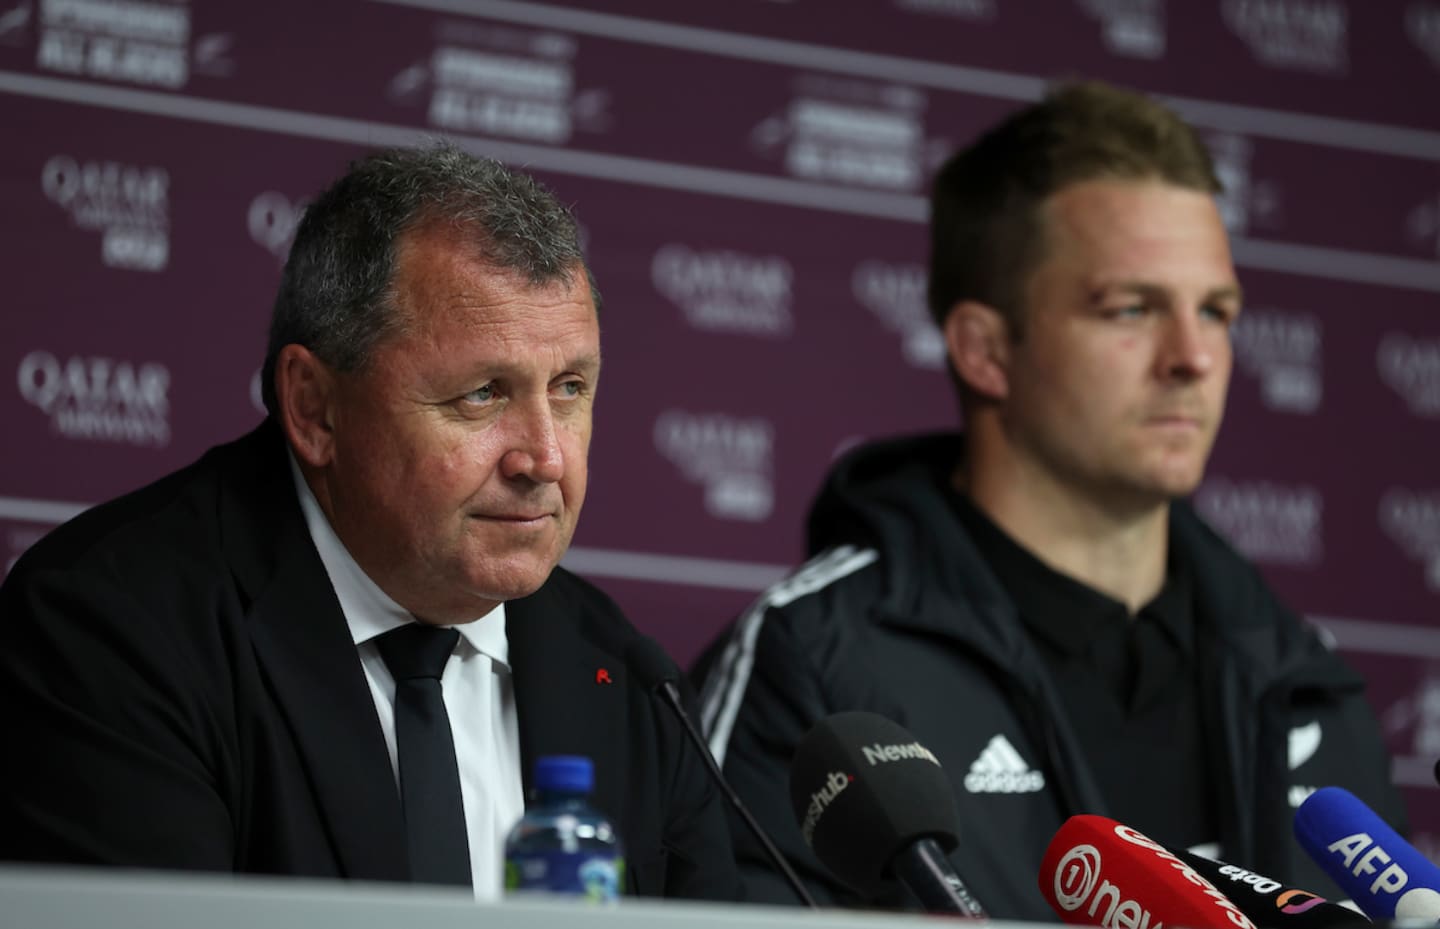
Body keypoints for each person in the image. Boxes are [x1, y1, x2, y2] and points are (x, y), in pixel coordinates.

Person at [694, 81, 1404, 918]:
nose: (1194, 357)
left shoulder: (1304, 677)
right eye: (1131, 308)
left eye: (1215, 311)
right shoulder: (814, 661)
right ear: (986, 350)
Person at [0, 144, 740, 902]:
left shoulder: (623, 672)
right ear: (315, 408)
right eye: (483, 394)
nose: (545, 458)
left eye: (570, 388)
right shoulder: (112, 630)